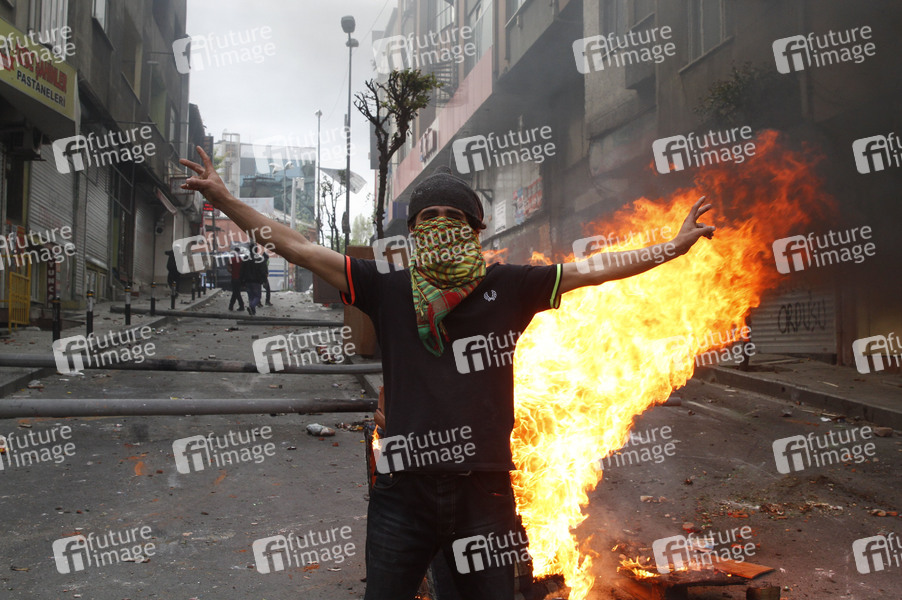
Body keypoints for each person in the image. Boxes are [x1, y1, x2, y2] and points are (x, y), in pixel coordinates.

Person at [180, 148, 715, 600]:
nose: (441, 223)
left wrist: (672, 247)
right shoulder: (384, 287)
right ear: (413, 231)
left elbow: (591, 270)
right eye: (428, 216)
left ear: (476, 229)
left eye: (453, 216)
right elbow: (297, 247)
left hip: (484, 495)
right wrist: (224, 199)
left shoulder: (509, 287)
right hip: (402, 495)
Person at [242, 243, 266, 315]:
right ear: (256, 250)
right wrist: (264, 281)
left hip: (247, 281)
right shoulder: (259, 259)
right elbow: (263, 271)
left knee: (251, 296)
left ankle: (252, 311)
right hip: (256, 281)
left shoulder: (245, 259)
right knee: (257, 296)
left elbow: (242, 271)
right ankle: (252, 306)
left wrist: (242, 282)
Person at [227, 246, 245, 311]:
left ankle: (241, 305)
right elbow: (243, 270)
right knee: (236, 292)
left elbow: (228, 268)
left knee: (236, 292)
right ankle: (231, 306)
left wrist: (232, 272)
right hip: (239, 279)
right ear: (239, 252)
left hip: (234, 278)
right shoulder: (241, 260)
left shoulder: (231, 260)